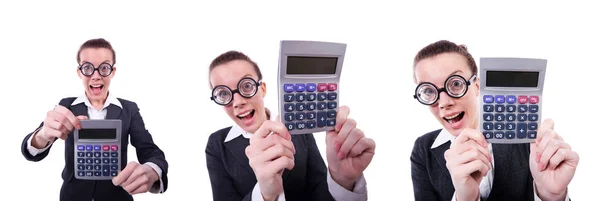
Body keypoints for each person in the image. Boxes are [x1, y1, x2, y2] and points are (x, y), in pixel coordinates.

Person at [409, 40, 579, 201]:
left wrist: (551, 196)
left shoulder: (526, 137)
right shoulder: (423, 150)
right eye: (428, 91)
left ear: (476, 86)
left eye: (455, 84)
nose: (444, 103)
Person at [205, 50, 376, 201]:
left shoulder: (297, 129)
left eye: (247, 86)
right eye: (223, 94)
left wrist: (342, 181)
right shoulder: (217, 145)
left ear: (262, 89)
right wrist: (265, 194)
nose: (238, 102)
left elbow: (319, 194)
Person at [20, 38, 169, 201]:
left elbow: (149, 150)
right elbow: (31, 151)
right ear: (79, 72)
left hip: (116, 196)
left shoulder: (129, 109)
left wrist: (152, 170)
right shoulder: (66, 106)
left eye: (104, 68)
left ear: (113, 71)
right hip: (72, 196)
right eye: (87, 68)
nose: (96, 76)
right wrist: (42, 136)